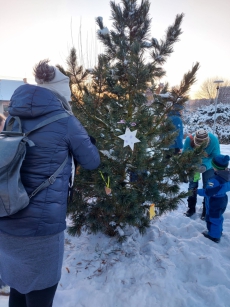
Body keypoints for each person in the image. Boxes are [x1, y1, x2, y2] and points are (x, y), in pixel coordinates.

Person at [0, 60, 100, 307]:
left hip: (5, 218)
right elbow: (91, 162)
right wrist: (90, 142)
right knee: (41, 294)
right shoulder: (65, 121)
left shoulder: (12, 116)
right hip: (41, 230)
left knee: (18, 287)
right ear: (61, 91)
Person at [183, 129, 220, 218]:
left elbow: (215, 157)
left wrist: (205, 166)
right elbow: (184, 156)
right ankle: (191, 208)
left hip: (209, 166)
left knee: (207, 186)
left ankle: (206, 209)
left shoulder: (214, 140)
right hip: (194, 166)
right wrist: (186, 169)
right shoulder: (189, 140)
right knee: (192, 186)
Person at [197, 154, 230, 243]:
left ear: (214, 166)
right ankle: (219, 231)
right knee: (218, 216)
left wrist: (197, 191)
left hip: (214, 201)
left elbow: (208, 192)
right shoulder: (227, 175)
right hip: (223, 199)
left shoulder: (214, 180)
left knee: (213, 218)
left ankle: (214, 236)